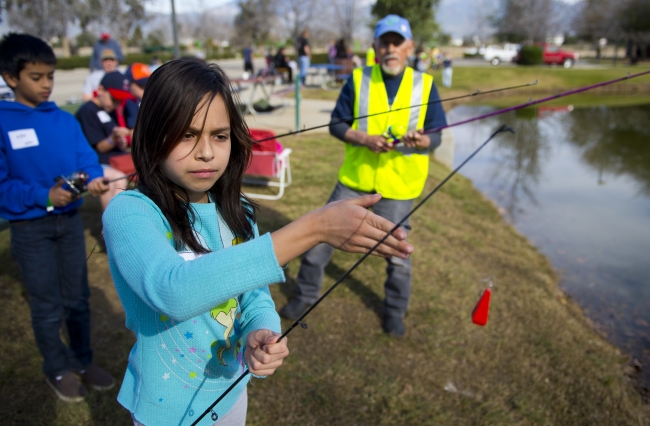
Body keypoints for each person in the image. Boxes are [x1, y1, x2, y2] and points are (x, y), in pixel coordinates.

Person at [101, 57, 413, 425]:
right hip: (165, 410)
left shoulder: (236, 212)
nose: (206, 152)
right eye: (187, 135)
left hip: (231, 392)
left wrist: (262, 329)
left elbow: (254, 295)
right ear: (153, 136)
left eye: (219, 135)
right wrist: (314, 229)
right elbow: (173, 292)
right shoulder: (130, 212)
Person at [280, 14, 447, 338]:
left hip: (400, 186)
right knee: (317, 242)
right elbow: (336, 125)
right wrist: (365, 139)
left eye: (397, 43)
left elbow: (437, 135)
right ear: (374, 46)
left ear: (409, 47)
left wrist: (422, 140)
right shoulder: (358, 79)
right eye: (384, 42)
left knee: (398, 254)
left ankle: (395, 312)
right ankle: (305, 296)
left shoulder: (425, 84)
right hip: (354, 181)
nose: (391, 49)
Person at [0, 33, 114, 402]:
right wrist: (42, 196)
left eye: (50, 76)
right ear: (10, 77)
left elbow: (86, 160)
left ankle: (82, 361)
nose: (47, 84)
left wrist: (94, 179)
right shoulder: (3, 122)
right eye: (37, 77)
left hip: (68, 224)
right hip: (30, 228)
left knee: (78, 299)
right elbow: (3, 187)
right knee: (47, 304)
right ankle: (57, 367)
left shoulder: (64, 121)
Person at [75, 71, 133, 210]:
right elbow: (99, 147)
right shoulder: (88, 110)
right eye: (113, 98)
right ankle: (111, 223)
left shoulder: (109, 111)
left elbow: (110, 141)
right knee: (117, 179)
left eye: (120, 100)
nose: (116, 103)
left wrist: (119, 141)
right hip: (94, 163)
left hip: (112, 159)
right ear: (100, 90)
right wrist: (113, 138)